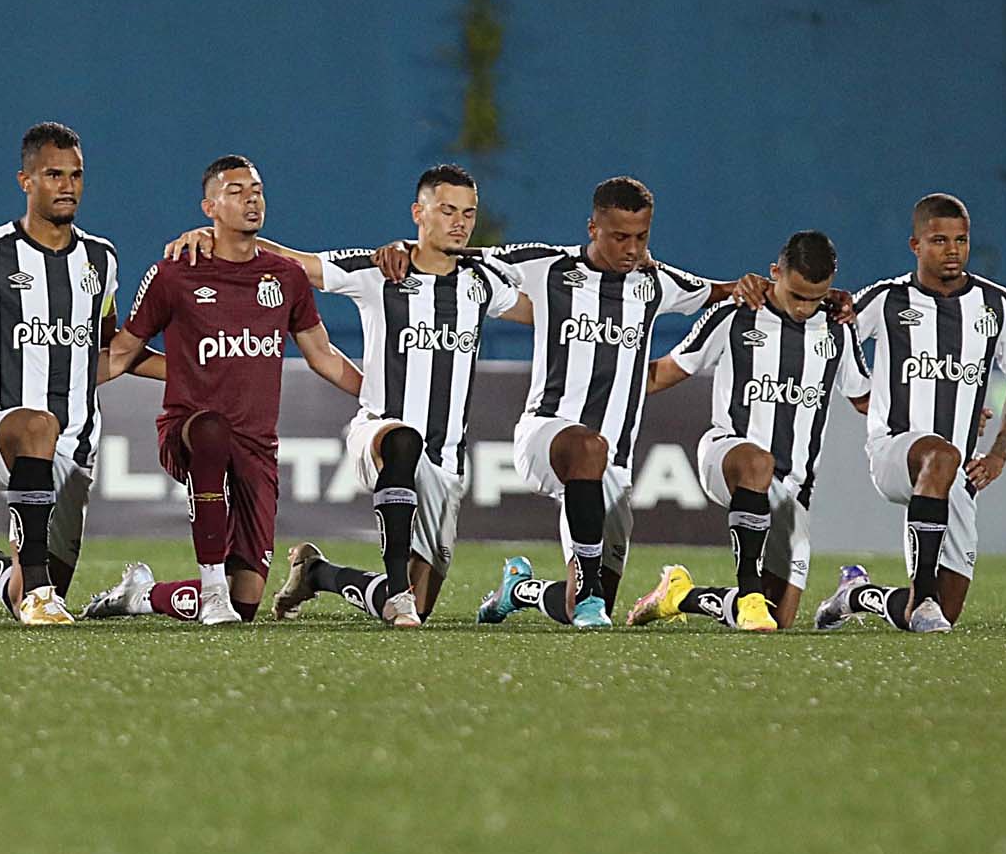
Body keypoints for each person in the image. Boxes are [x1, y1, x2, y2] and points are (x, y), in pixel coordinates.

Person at [163, 163, 531, 627]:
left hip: (446, 460)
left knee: (426, 601)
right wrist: (222, 237)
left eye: (468, 213)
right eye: (446, 210)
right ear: (419, 213)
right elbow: (300, 263)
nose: (458, 221)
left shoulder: (484, 282)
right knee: (402, 441)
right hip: (379, 431)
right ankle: (395, 593)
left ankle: (319, 573)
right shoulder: (379, 271)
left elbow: (551, 309)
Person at [474, 176, 772, 629]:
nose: (631, 249)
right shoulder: (549, 266)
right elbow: (465, 260)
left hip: (612, 463)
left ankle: (521, 589)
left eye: (641, 237)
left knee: (590, 607)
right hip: (546, 433)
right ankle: (588, 590)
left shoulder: (654, 282)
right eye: (619, 237)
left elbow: (719, 290)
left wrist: (752, 287)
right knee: (588, 448)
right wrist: (405, 250)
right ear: (592, 227)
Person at [83, 155, 363, 626]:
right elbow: (121, 353)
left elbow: (324, 356)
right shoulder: (175, 271)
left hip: (256, 445)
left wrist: (381, 396)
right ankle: (211, 588)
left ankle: (141, 596)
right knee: (211, 431)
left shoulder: (286, 278)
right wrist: (48, 380)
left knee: (247, 602)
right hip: (189, 432)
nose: (251, 198)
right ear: (209, 206)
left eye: (256, 189)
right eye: (236, 191)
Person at [0, 122, 163, 625]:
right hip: (2, 429)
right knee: (37, 424)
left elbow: (109, 351)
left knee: (27, 592)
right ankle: (37, 588)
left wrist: (191, 372)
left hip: (76, 447)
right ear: (25, 181)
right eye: (54, 174)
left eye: (76, 175)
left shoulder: (101, 258)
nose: (67, 185)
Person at [811, 193, 1006, 633]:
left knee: (941, 616)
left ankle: (856, 595)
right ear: (915, 245)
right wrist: (863, 392)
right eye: (939, 240)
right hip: (894, 450)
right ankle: (925, 596)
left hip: (955, 471)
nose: (952, 250)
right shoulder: (888, 299)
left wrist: (998, 453)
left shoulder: (997, 305)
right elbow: (831, 331)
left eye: (961, 240)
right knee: (938, 454)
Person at [624, 230, 870, 632]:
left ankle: (679, 595)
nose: (806, 308)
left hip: (792, 491)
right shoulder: (736, 314)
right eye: (797, 295)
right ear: (775, 273)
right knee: (759, 462)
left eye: (815, 297)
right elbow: (663, 373)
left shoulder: (838, 328)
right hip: (728, 456)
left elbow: (864, 399)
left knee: (779, 621)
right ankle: (750, 594)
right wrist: (602, 376)